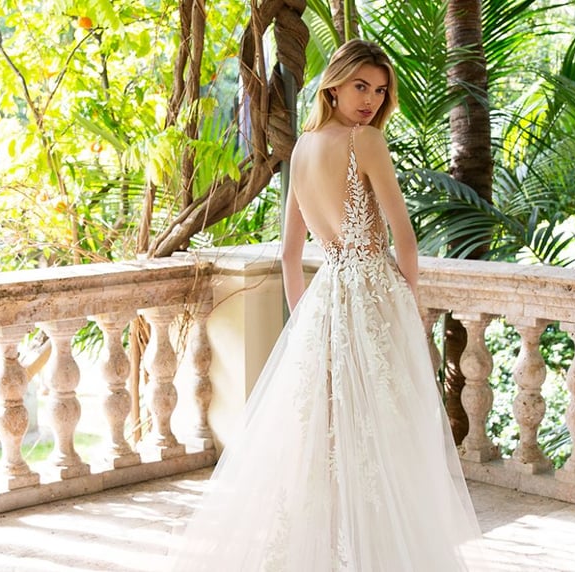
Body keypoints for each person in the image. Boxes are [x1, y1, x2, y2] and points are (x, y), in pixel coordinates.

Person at [170, 39, 487, 571]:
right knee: (383, 434)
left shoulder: (302, 148)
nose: (370, 100)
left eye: (380, 91)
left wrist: (305, 324)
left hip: (325, 302)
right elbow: (405, 240)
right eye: (361, 86)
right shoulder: (366, 141)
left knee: (326, 437)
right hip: (374, 296)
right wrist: (408, 308)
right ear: (333, 85)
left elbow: (290, 256)